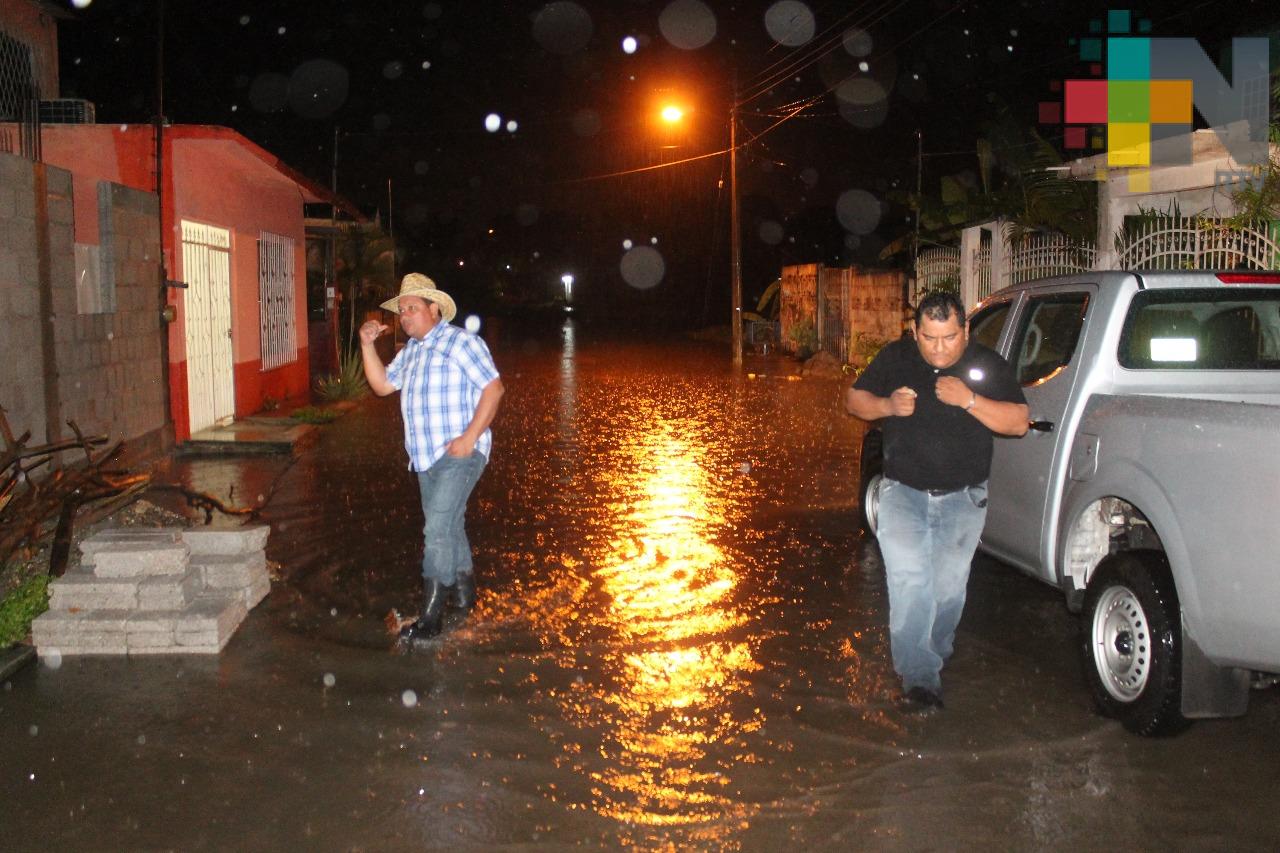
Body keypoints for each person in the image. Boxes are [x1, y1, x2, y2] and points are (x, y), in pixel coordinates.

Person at [844, 291, 1028, 711]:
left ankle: (933, 652)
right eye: (930, 338)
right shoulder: (898, 358)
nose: (940, 348)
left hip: (963, 500)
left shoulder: (985, 365)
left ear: (964, 330)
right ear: (915, 331)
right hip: (902, 494)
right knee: (910, 583)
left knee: (948, 590)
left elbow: (1018, 422)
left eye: (949, 337)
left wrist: (970, 400)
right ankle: (919, 679)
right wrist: (887, 404)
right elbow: (854, 401)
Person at [359, 273, 505, 645]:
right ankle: (465, 596)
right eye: (402, 309)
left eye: (413, 307)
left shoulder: (460, 342)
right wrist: (366, 345)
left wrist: (470, 437)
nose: (406, 315)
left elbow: (494, 388)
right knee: (449, 525)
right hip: (424, 460)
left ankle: (431, 618)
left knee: (436, 530)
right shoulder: (410, 352)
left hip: (462, 453)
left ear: (434, 308)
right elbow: (381, 387)